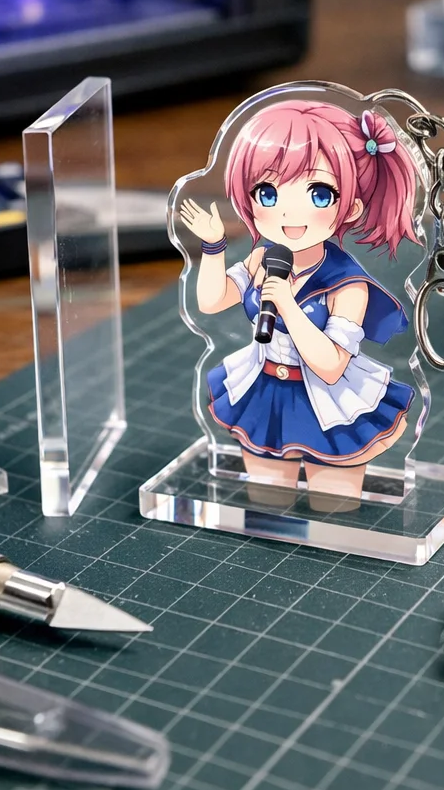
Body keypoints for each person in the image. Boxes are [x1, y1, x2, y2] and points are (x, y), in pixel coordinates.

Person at [179, 99, 421, 502]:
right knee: (266, 501)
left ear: (350, 207)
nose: (290, 212)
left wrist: (288, 306)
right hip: (266, 391)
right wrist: (213, 246)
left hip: (330, 403)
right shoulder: (262, 258)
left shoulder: (347, 285)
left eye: (319, 194)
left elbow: (331, 367)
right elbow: (212, 301)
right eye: (268, 193)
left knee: (335, 504)